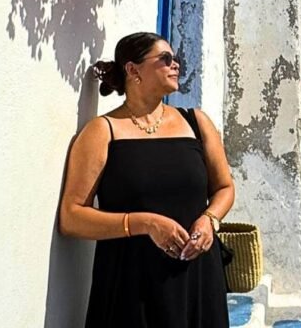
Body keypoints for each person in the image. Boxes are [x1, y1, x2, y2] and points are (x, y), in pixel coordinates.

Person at [59, 31, 234, 327]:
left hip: (197, 278)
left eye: (175, 58)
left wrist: (209, 220)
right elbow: (71, 217)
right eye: (165, 59)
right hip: (131, 285)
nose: (175, 64)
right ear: (133, 69)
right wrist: (144, 223)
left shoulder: (196, 122)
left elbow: (224, 187)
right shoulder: (103, 131)